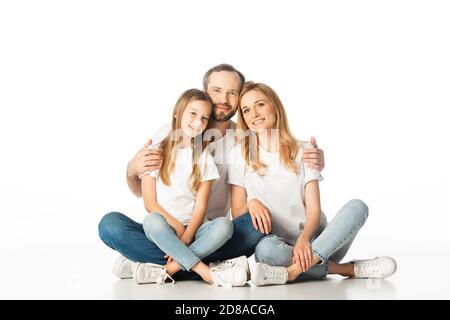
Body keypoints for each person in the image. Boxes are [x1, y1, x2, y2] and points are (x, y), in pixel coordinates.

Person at [98, 64, 325, 281]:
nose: (224, 100)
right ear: (204, 92)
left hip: (212, 233)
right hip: (165, 231)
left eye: (232, 93)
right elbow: (143, 194)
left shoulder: (245, 139)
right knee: (110, 225)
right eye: (217, 91)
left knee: (259, 225)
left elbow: (281, 160)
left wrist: (312, 158)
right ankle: (204, 267)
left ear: (239, 98)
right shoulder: (169, 134)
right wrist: (132, 170)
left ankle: (158, 266)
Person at [226, 82, 397, 286]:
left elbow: (314, 210)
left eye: (260, 104)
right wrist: (252, 202)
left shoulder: (304, 150)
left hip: (320, 240)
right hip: (279, 248)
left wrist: (305, 239)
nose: (253, 113)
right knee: (265, 252)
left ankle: (291, 273)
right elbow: (237, 211)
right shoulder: (238, 156)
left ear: (275, 106)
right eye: (246, 110)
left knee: (358, 206)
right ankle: (348, 269)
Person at [128, 89, 246, 286]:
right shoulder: (156, 151)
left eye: (204, 118)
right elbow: (149, 203)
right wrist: (177, 229)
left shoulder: (204, 157)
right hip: (165, 227)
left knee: (225, 226)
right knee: (151, 222)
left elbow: (200, 207)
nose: (198, 122)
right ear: (178, 112)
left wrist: (188, 236)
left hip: (196, 229)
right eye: (193, 114)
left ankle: (165, 269)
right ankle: (203, 269)